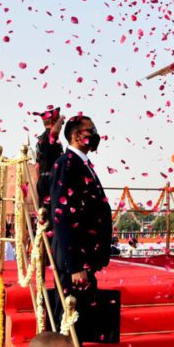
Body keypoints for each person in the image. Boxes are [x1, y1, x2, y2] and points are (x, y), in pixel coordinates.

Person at [48, 115, 114, 331]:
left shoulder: (82, 164)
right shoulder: (66, 164)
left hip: (85, 255)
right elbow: (63, 216)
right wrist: (75, 266)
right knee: (67, 319)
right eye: (91, 131)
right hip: (74, 259)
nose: (95, 135)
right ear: (76, 135)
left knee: (78, 319)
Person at [35, 106, 66, 220]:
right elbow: (54, 133)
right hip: (50, 182)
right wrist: (60, 118)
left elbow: (37, 167)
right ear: (54, 121)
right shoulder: (49, 136)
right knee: (51, 217)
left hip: (44, 180)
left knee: (44, 215)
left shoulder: (41, 139)